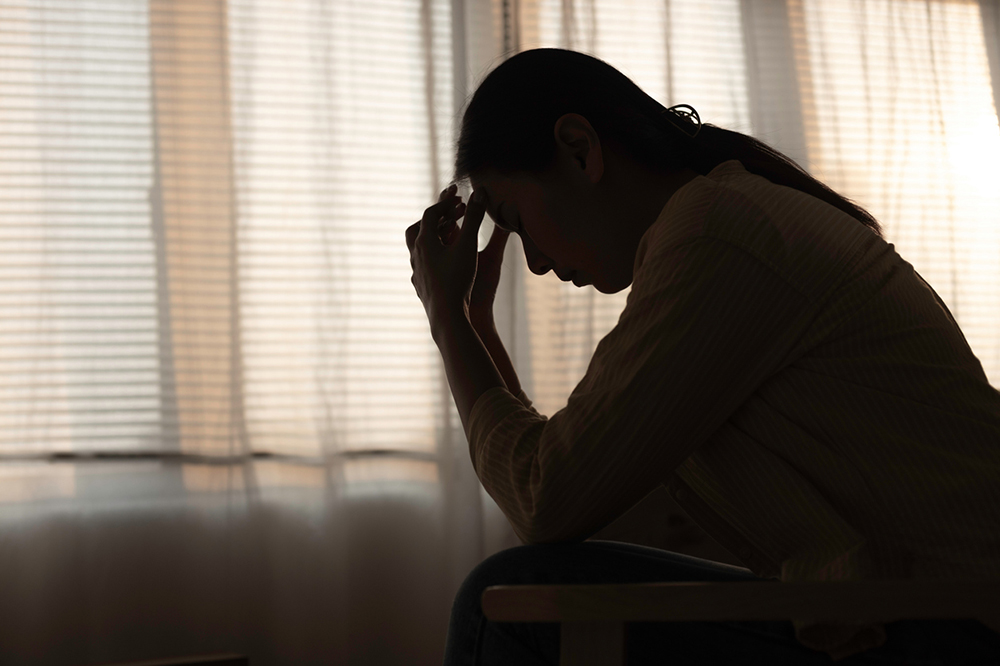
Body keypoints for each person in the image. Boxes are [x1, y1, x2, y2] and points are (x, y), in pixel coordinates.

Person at [405, 48, 1000, 665]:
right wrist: (473, 321)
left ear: (580, 148)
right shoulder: (719, 223)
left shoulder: (716, 236)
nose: (531, 260)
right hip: (928, 607)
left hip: (961, 618)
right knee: (527, 585)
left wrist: (448, 320)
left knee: (502, 604)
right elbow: (560, 483)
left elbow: (545, 498)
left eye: (516, 220)